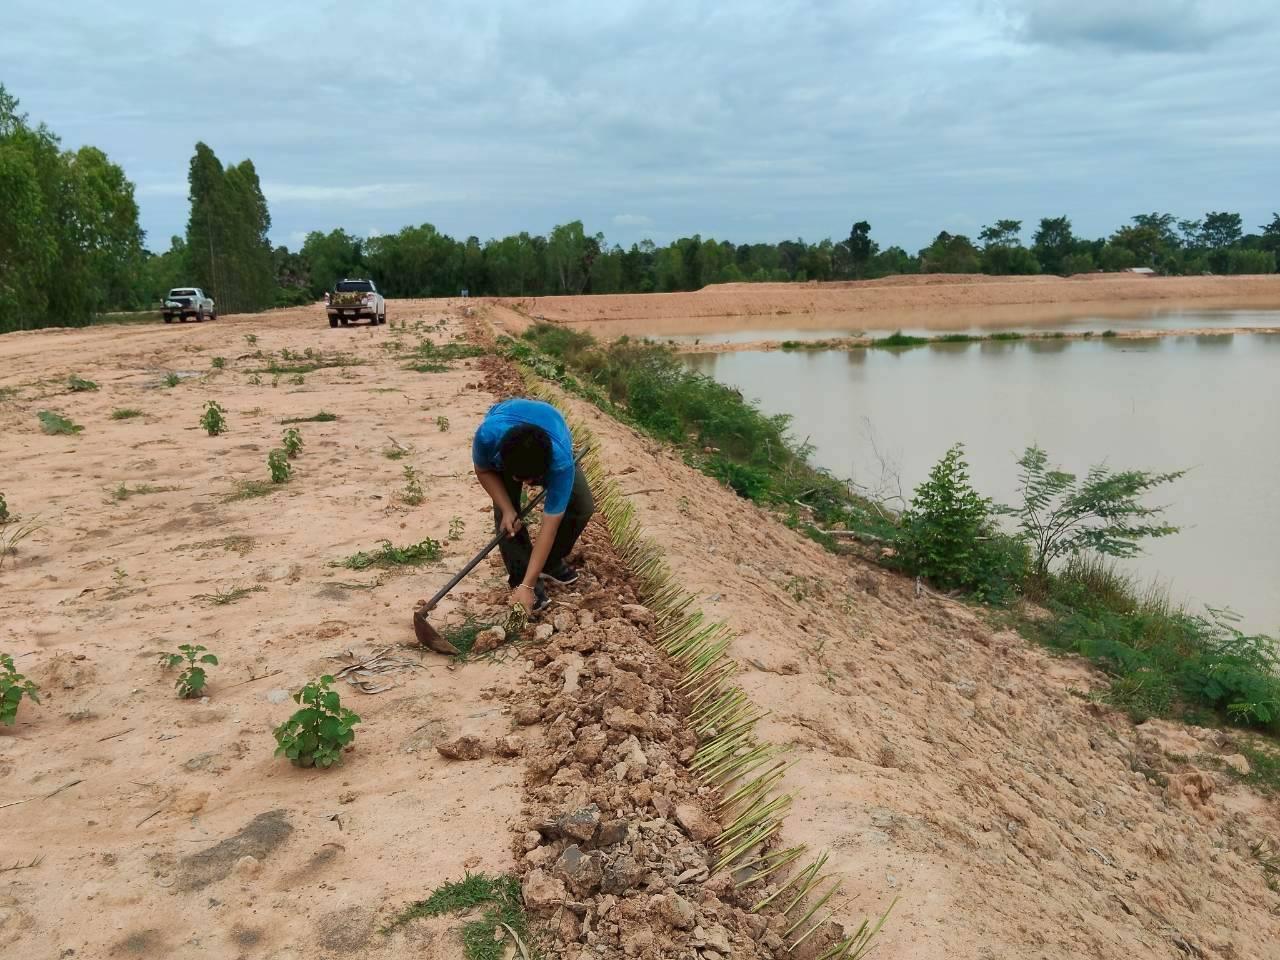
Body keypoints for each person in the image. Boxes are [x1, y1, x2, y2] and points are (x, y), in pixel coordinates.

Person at [471, 398, 594, 613]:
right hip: (509, 431)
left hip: (552, 433)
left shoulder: (560, 463)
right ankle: (522, 581)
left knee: (582, 506)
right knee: (508, 522)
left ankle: (549, 562)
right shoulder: (487, 437)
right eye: (520, 479)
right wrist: (508, 508)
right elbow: (482, 471)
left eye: (532, 480)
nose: (527, 485)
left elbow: (549, 528)